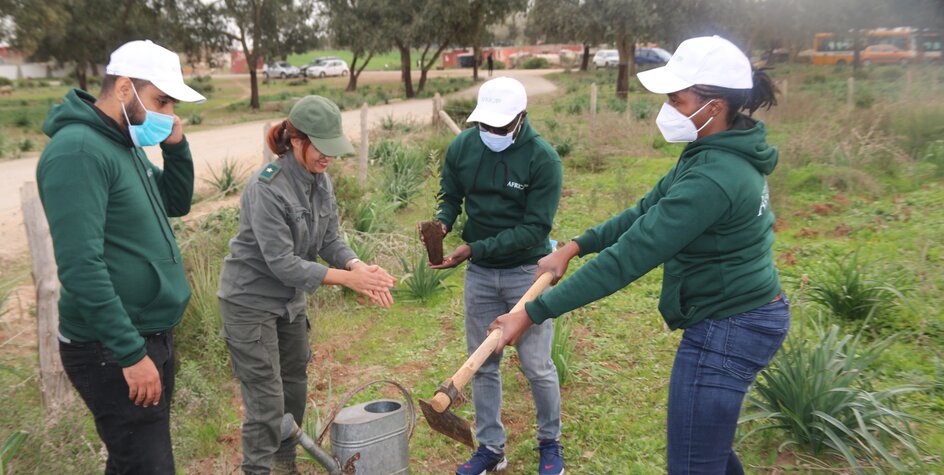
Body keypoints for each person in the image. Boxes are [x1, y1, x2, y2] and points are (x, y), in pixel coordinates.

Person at [490, 36, 788, 475]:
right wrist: (574, 247)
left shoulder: (715, 178)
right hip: (738, 316)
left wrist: (532, 312)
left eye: (677, 98)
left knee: (692, 463)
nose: (668, 108)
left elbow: (630, 257)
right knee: (709, 453)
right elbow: (643, 211)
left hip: (730, 327)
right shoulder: (711, 152)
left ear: (716, 104)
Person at [36, 40, 206, 474]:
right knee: (147, 467)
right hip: (110, 347)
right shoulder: (79, 151)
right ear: (125, 89)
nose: (168, 112)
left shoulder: (122, 144)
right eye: (161, 100)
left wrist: (175, 144)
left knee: (135, 463)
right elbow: (80, 267)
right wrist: (130, 354)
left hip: (145, 335)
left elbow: (175, 201)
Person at [218, 95, 396, 475]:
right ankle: (258, 470)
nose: (328, 158)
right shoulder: (267, 188)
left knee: (294, 386)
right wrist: (349, 280)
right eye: (322, 149)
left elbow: (329, 239)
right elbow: (282, 264)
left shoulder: (321, 181)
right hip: (249, 302)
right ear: (297, 140)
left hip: (289, 302)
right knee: (266, 402)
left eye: (334, 150)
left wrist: (357, 265)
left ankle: (285, 465)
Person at [424, 76, 565, 475]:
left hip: (527, 272)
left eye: (500, 127)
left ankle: (549, 442)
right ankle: (491, 448)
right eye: (485, 125)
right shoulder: (464, 147)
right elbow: (450, 194)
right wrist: (443, 223)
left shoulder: (542, 159)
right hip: (482, 276)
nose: (492, 133)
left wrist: (474, 248)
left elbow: (536, 229)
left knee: (537, 364)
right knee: (482, 364)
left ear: (520, 119)